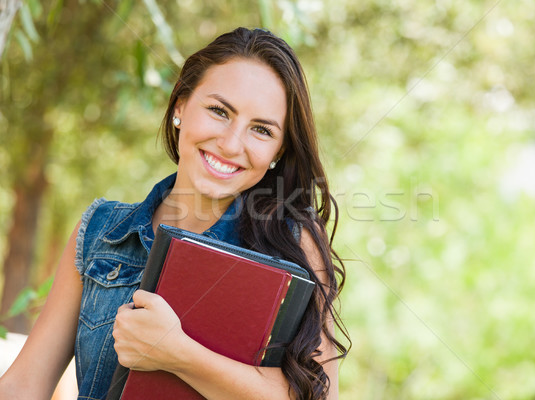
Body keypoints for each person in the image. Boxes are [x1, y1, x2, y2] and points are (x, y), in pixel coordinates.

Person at [0, 27, 349, 400]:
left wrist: (177, 353)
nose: (232, 144)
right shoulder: (100, 232)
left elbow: (317, 396)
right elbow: (25, 385)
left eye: (261, 130)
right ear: (180, 106)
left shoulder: (295, 244)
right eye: (219, 111)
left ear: (279, 150)